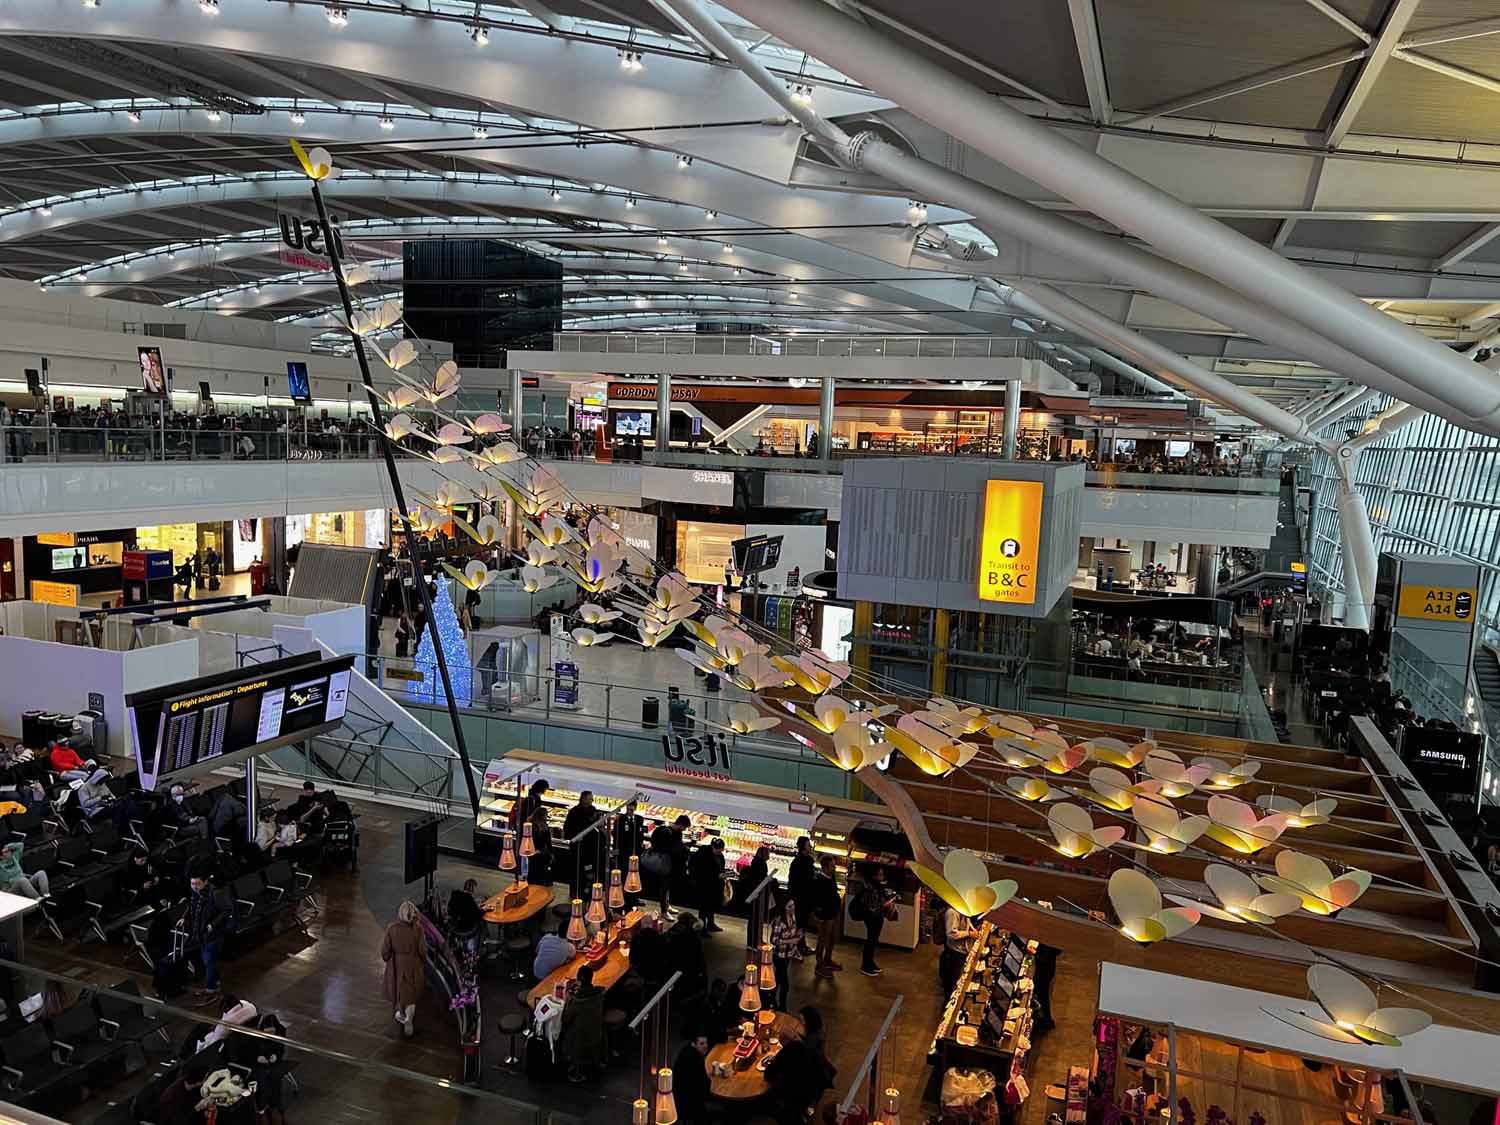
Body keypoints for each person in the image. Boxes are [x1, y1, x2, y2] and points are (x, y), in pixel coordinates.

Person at [155, 871, 228, 1000]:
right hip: (197, 932)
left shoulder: (216, 893)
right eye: (192, 884)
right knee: (206, 960)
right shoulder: (195, 892)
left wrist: (212, 925)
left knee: (208, 960)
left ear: (205, 882)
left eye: (197, 884)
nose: (194, 887)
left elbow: (226, 911)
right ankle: (215, 982)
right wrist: (184, 917)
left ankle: (211, 989)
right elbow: (191, 906)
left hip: (212, 934)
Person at [381, 900, 427, 1038]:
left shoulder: (391, 928)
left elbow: (385, 952)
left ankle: (400, 1015)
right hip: (413, 965)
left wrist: (389, 958)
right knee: (411, 996)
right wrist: (422, 961)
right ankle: (409, 1019)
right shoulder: (418, 930)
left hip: (397, 966)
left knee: (399, 993)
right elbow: (422, 951)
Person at [562, 963, 608, 1083]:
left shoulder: (577, 1001)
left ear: (580, 980)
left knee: (563, 1029)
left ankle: (573, 1066)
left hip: (579, 1037)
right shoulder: (599, 993)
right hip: (596, 1030)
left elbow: (566, 1018)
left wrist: (568, 1000)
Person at [854, 866, 896, 977]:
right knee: (871, 940)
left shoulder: (877, 885)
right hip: (871, 917)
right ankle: (865, 966)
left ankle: (870, 963)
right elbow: (873, 906)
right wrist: (887, 903)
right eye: (880, 875)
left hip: (877, 917)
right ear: (874, 876)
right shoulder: (868, 887)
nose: (882, 877)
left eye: (882, 874)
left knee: (873, 940)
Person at [671, 1026, 714, 1124]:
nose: (705, 1046)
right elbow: (703, 1085)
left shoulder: (687, 1049)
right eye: (701, 1044)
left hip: (678, 1095)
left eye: (706, 1043)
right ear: (694, 1044)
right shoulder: (696, 1059)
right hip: (687, 1100)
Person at [768, 891, 803, 1011]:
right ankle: (782, 1007)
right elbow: (773, 940)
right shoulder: (779, 922)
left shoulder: (793, 917)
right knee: (785, 984)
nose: (793, 908)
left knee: (778, 979)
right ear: (784, 907)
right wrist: (791, 941)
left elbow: (793, 934)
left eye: (793, 905)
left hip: (788, 954)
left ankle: (771, 1000)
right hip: (779, 956)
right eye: (789, 906)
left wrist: (798, 935)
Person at [810, 854, 843, 979]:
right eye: (832, 866)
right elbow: (816, 901)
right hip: (824, 916)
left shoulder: (831, 877)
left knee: (831, 938)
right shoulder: (818, 881)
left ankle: (827, 960)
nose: (835, 868)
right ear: (825, 867)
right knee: (823, 940)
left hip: (832, 914)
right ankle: (819, 966)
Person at [563, 790, 602, 897]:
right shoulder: (574, 812)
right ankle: (575, 892)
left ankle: (586, 892)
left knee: (588, 871)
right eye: (590, 799)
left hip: (590, 848)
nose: (591, 801)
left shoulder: (593, 810)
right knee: (576, 871)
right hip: (578, 848)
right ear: (583, 799)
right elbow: (568, 829)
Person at [691, 836, 726, 934]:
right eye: (718, 850)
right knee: (703, 908)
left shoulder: (719, 855)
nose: (719, 852)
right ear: (713, 847)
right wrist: (717, 875)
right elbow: (702, 872)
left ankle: (711, 924)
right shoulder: (703, 855)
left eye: (721, 850)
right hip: (704, 885)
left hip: (714, 885)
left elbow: (720, 867)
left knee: (711, 906)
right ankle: (702, 928)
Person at [940, 902, 976, 995]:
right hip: (955, 952)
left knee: (957, 978)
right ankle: (948, 999)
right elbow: (951, 934)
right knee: (953, 980)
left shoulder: (963, 910)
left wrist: (972, 929)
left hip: (961, 950)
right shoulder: (952, 912)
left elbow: (967, 921)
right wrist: (969, 933)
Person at [447, 878, 483, 954]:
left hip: (454, 927)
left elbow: (450, 911)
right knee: (481, 922)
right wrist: (484, 910)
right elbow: (477, 915)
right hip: (466, 929)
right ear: (472, 890)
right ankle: (477, 947)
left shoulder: (455, 895)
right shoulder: (469, 899)